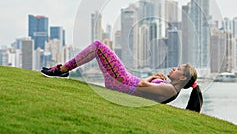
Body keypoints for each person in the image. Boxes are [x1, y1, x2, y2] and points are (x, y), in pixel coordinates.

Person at [41, 40, 203, 112]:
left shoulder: (170, 90)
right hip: (124, 80)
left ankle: (62, 70)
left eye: (179, 69)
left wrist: (151, 76)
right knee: (98, 49)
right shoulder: (169, 88)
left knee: (98, 46)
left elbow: (141, 86)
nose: (174, 68)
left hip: (122, 81)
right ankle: (63, 70)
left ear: (183, 78)